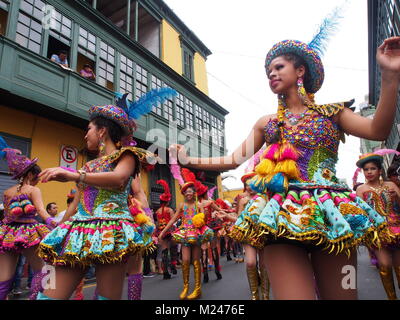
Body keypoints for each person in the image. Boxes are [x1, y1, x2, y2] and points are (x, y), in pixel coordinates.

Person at [169, 17, 400, 298]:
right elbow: (232, 160)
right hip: (279, 218)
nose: (272, 75)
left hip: (333, 217)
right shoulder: (266, 124)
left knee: (344, 294)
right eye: (269, 71)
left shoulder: (333, 114)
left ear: (300, 70)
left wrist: (389, 77)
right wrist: (188, 159)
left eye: (279, 67)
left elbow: (378, 129)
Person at [35, 89, 173, 300]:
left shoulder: (127, 156)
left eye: (88, 129)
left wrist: (74, 175)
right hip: (78, 233)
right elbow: (76, 205)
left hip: (112, 232)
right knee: (49, 296)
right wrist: (58, 227)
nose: (85, 134)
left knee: (106, 298)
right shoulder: (89, 165)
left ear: (102, 132)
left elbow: (118, 178)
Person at [0, 138, 56, 300]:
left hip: (8, 234)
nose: (38, 179)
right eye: (37, 176)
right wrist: (55, 224)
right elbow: (41, 211)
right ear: (30, 174)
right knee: (46, 270)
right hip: (29, 234)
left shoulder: (8, 191)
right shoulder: (33, 190)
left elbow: (7, 215)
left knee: (3, 277)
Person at [158, 168, 214, 300]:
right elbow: (172, 220)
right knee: (185, 260)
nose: (188, 194)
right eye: (186, 192)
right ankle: (185, 287)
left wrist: (204, 217)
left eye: (190, 191)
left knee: (196, 261)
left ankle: (197, 289)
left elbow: (204, 220)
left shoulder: (198, 205)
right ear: (183, 194)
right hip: (184, 234)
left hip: (197, 234)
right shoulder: (182, 206)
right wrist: (162, 233)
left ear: (194, 193)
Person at [355, 151, 400, 300]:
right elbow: (360, 214)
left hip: (396, 229)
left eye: (372, 168)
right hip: (377, 233)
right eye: (366, 169)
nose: (369, 172)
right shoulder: (360, 190)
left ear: (380, 170)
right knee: (385, 265)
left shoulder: (391, 185)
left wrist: (397, 197)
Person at [197, 183, 224, 282]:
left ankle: (205, 273)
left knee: (203, 250)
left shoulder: (196, 204)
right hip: (211, 227)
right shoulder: (210, 202)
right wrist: (230, 210)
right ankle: (217, 271)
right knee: (213, 248)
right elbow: (220, 210)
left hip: (201, 228)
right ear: (205, 193)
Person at [154, 179, 176, 280]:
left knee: (164, 250)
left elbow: (158, 223)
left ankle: (165, 271)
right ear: (167, 201)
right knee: (173, 248)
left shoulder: (157, 212)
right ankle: (173, 264)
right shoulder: (170, 210)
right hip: (169, 230)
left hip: (161, 232)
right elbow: (172, 221)